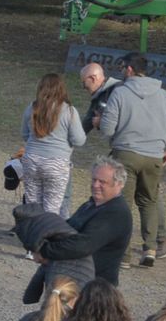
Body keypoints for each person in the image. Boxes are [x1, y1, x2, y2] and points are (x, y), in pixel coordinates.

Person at [98, 53, 166, 268]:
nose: (120, 72)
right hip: (154, 157)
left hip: (126, 154)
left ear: (129, 70)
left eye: (122, 68)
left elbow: (107, 129)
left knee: (123, 205)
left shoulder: (120, 93)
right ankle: (149, 249)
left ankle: (124, 255)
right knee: (149, 202)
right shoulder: (164, 95)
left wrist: (103, 123)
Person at [37, 157, 136, 286]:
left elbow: (83, 245)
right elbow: (66, 228)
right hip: (74, 278)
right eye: (94, 180)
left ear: (118, 184)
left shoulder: (116, 213)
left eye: (102, 182)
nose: (95, 185)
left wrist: (44, 251)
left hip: (94, 287)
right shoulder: (92, 204)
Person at [21, 73, 87, 220]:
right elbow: (79, 140)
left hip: (31, 160)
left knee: (33, 204)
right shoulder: (69, 111)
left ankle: (32, 235)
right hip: (56, 163)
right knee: (52, 208)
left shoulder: (32, 108)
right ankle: (47, 237)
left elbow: (24, 134)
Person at [78, 62, 120, 134]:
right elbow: (86, 125)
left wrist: (104, 122)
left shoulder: (120, 91)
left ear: (93, 78)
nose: (83, 87)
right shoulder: (100, 96)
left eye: (84, 82)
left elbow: (129, 119)